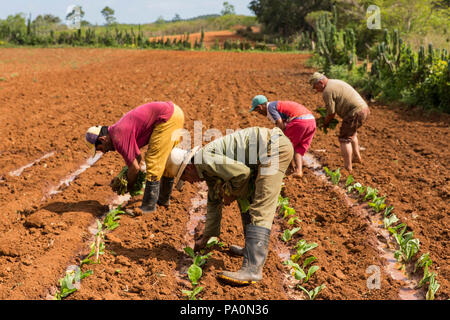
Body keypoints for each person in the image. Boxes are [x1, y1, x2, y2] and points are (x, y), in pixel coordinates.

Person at [165, 127, 293, 285]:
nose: (190, 182)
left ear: (188, 168)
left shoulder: (204, 159)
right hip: (266, 151)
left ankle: (252, 270)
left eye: (185, 178)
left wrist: (231, 193)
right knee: (246, 201)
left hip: (273, 150)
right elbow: (213, 200)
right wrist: (206, 238)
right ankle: (249, 250)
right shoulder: (205, 168)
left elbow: (242, 174)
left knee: (260, 207)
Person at [85, 101, 184, 212]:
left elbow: (134, 167)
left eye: (100, 148)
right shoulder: (117, 131)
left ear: (102, 139)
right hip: (175, 113)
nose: (103, 152)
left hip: (167, 118)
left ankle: (148, 207)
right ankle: (163, 200)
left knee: (153, 161)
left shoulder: (118, 136)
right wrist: (124, 177)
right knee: (166, 159)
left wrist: (129, 186)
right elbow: (137, 159)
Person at [310, 72, 370, 172]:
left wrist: (325, 123)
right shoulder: (335, 82)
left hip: (355, 113)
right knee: (351, 133)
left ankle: (348, 167)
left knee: (344, 138)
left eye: (316, 87)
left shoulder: (327, 92)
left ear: (321, 82)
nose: (316, 90)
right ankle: (357, 157)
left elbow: (331, 113)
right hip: (365, 109)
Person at [250, 95, 316, 178]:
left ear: (260, 107)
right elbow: (283, 125)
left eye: (257, 111)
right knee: (298, 148)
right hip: (311, 121)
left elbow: (280, 124)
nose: (259, 113)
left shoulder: (270, 108)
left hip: (299, 121)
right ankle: (298, 171)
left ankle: (287, 168)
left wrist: (274, 139)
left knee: (283, 145)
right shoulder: (276, 105)